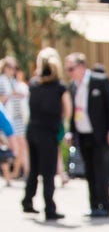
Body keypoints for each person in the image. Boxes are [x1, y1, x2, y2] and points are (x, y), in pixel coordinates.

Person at [64, 53, 109, 219]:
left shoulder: (100, 81)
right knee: (89, 171)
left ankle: (105, 205)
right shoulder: (73, 86)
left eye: (71, 69)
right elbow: (75, 112)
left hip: (100, 135)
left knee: (101, 170)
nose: (69, 72)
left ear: (81, 67)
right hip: (83, 134)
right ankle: (94, 205)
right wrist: (71, 131)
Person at [22, 47, 71, 222]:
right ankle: (49, 207)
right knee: (48, 171)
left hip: (33, 130)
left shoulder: (34, 84)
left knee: (34, 168)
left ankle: (28, 200)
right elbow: (67, 110)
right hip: (48, 132)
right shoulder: (59, 87)